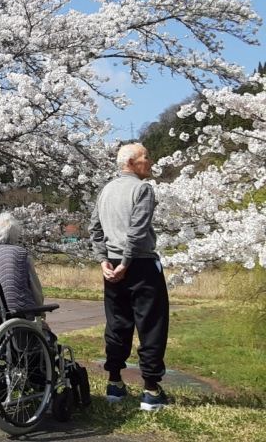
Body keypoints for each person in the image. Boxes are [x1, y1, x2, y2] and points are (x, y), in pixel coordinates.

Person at [89, 143, 170, 411]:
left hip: (111, 266)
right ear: (132, 162)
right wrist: (126, 263)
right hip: (140, 264)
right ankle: (150, 390)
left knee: (117, 323)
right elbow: (137, 230)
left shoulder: (106, 190)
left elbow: (95, 229)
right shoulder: (142, 189)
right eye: (146, 156)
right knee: (151, 324)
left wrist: (104, 260)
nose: (150, 160)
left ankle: (115, 383)